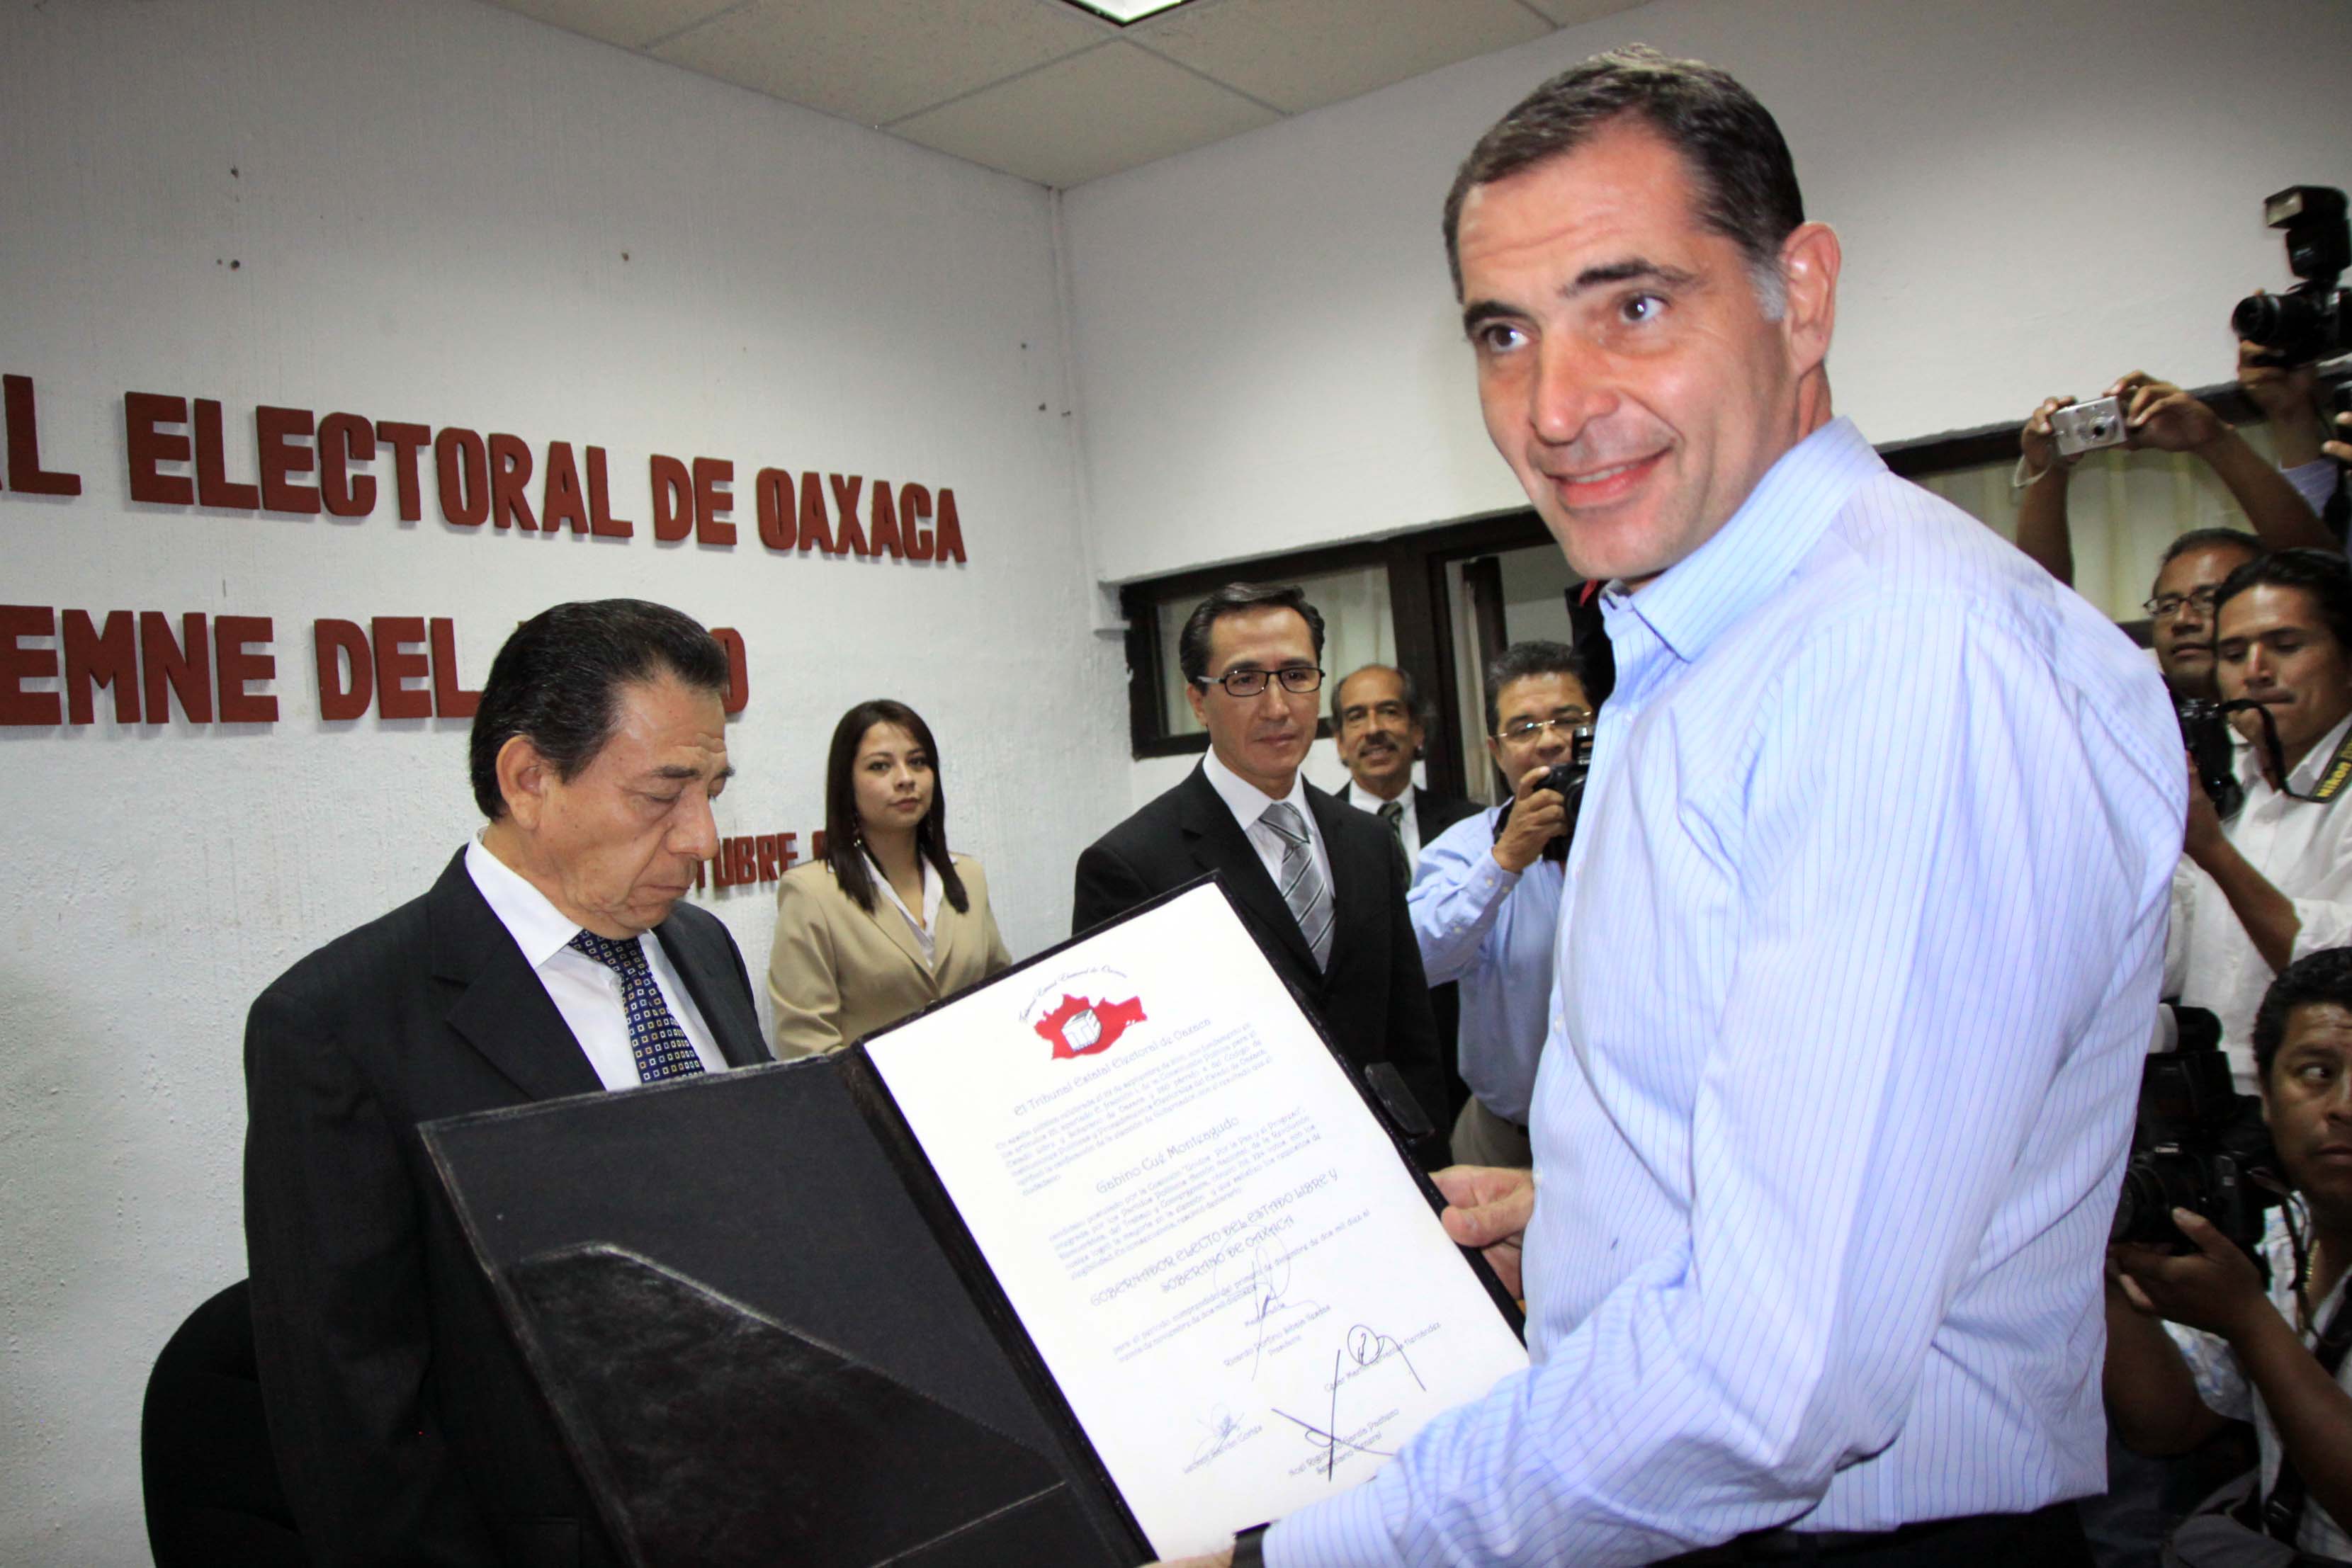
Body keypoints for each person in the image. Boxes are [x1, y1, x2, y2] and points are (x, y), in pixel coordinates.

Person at [1156, 45, 2181, 1568]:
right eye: (1503, 334)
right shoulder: (1704, 648)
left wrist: (1299, 1557)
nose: (1556, 406)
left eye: (1632, 306)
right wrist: (1591, 1222)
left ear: (1802, 295)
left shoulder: (1896, 665)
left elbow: (1774, 1380)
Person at [243, 599, 771, 1567]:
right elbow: (354, 1427)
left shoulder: (703, 948)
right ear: (529, 778)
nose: (702, 837)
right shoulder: (339, 1026)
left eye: (714, 788)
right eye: (663, 794)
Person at [1071, 582, 1450, 1152]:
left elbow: (1410, 1033)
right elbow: (1125, 1084)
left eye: (1297, 675)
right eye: (1244, 680)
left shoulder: (1368, 839)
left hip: (1383, 1163)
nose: (1278, 707)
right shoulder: (1131, 866)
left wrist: (1434, 1174)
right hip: (1242, 1180)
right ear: (1198, 700)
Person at [2105, 945, 2352, 1562]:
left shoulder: (2255, 1276)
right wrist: (2111, 1269)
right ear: (2266, 1097)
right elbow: (2166, 1425)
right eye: (2317, 1073)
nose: (2345, 1106)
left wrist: (2247, 1321)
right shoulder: (2283, 1234)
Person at [2169, 550, 2352, 1093]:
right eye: (2233, 652)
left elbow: (2336, 979)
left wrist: (2214, 852)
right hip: (2211, 1102)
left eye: (2286, 646)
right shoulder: (2219, 783)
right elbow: (2165, 963)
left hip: (2325, 1113)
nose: (2256, 671)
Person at [1408, 640, 1595, 1169]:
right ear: (1496, 751)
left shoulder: (1654, 822)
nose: (1551, 742)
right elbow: (1417, 959)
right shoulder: (1464, 848)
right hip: (1507, 1139)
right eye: (1524, 729)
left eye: (1568, 719)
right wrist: (1505, 861)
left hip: (1639, 1134)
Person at [766, 699, 1011, 1057]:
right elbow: (807, 1045)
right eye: (880, 766)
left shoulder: (968, 876)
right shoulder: (811, 893)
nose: (906, 779)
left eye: (917, 762)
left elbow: (1001, 994)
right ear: (846, 784)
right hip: (871, 1107)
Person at [2013, 367, 2332, 589]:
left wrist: (2215, 441)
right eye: (2168, 604)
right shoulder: (2138, 687)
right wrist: (2047, 469)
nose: (2184, 619)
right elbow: (2044, 605)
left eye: (2208, 599)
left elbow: (2317, 579)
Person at [1329, 664, 1480, 873]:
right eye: (1357, 717)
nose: (1373, 729)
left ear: (1417, 731)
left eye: (1389, 712)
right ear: (1340, 742)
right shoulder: (1315, 832)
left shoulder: (1469, 825)